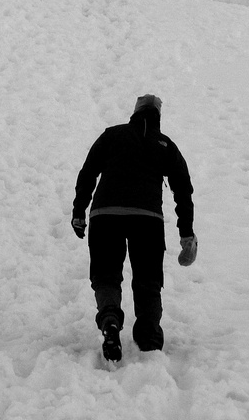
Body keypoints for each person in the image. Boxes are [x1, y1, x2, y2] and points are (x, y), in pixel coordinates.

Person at [72, 95, 196, 360]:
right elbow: (183, 189)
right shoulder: (165, 145)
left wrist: (79, 212)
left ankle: (110, 320)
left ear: (135, 113)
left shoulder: (111, 136)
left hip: (105, 214)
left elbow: (87, 172)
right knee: (148, 281)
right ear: (158, 117)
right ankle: (149, 338)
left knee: (106, 276)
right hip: (147, 218)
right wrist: (186, 232)